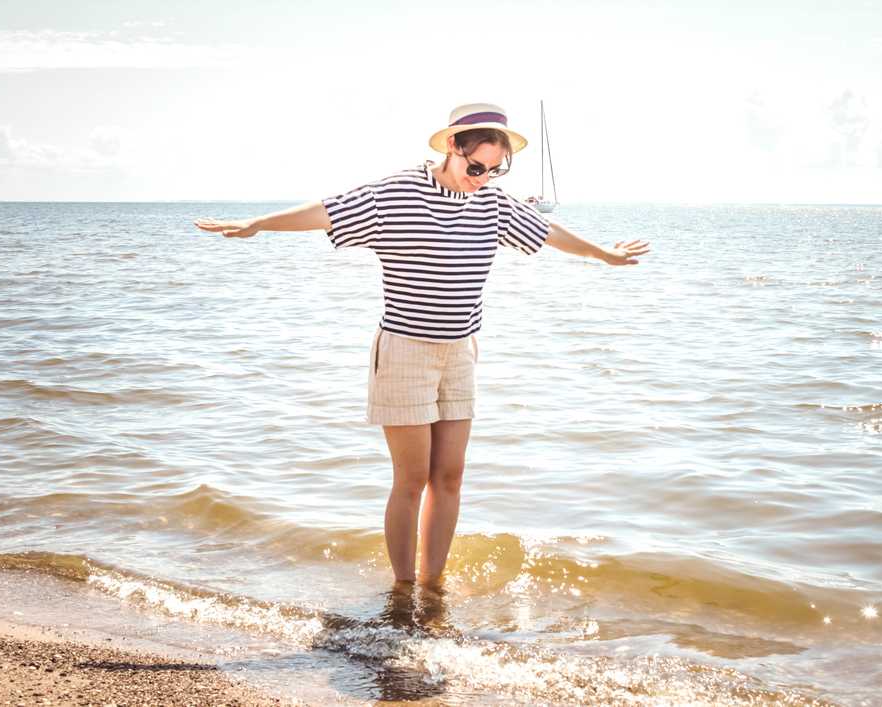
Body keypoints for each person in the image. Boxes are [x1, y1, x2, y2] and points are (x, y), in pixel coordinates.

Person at [194, 102, 650, 591]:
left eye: (496, 171)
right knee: (411, 480)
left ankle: (434, 587)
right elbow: (326, 211)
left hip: (460, 353)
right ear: (452, 146)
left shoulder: (493, 203)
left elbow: (548, 231)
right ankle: (402, 587)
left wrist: (603, 254)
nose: (484, 178)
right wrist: (260, 223)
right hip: (404, 351)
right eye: (476, 167)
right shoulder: (398, 192)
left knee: (449, 477)